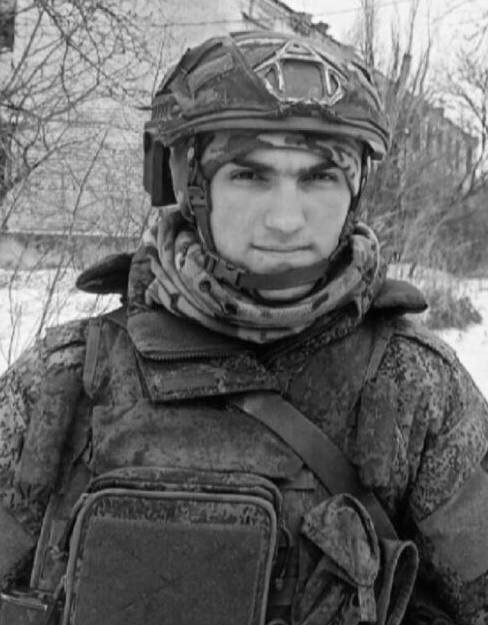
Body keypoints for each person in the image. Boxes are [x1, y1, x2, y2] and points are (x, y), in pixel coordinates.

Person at [0, 30, 486, 625]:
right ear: (189, 185)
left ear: (355, 190)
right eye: (250, 176)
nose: (286, 219)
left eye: (319, 178)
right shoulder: (69, 376)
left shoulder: (414, 387)